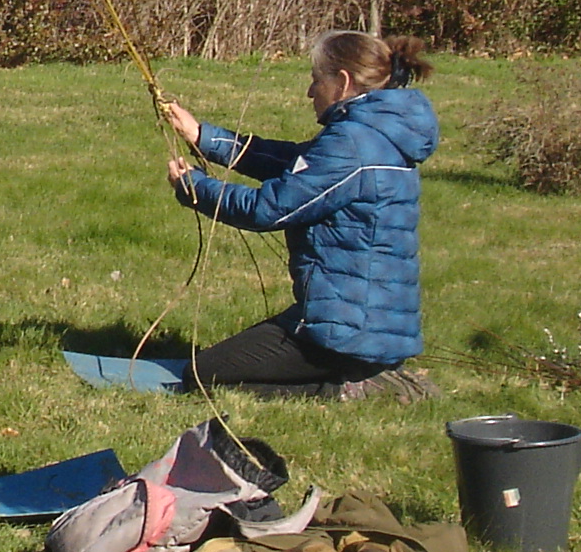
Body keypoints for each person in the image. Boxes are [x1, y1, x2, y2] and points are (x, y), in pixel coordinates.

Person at [158, 32, 440, 399]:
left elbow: (267, 210)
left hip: (346, 334)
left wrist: (195, 189)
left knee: (203, 375)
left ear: (342, 82)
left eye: (315, 79)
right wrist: (203, 137)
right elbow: (289, 164)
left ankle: (355, 390)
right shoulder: (376, 134)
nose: (310, 92)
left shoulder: (352, 144)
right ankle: (365, 376)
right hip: (366, 326)